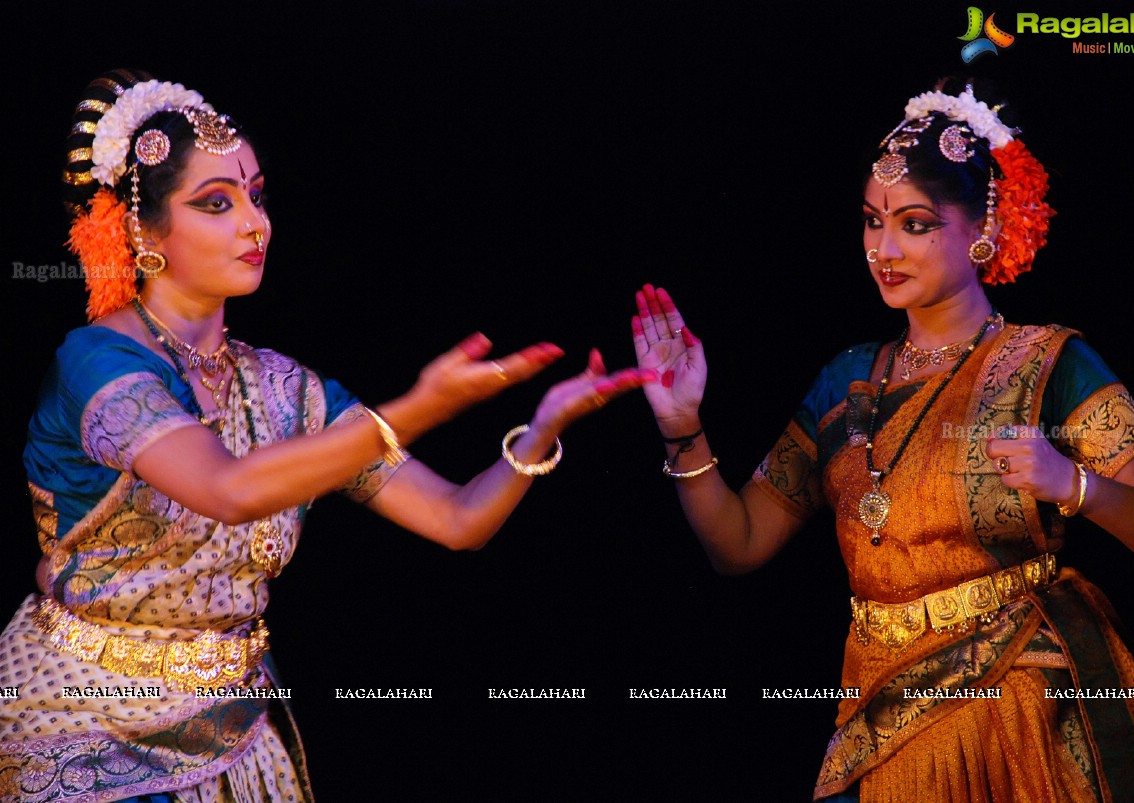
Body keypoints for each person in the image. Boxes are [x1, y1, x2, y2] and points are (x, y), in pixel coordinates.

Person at [0, 69, 653, 802]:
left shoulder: (287, 390)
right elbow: (229, 489)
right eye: (217, 203)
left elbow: (456, 519)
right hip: (80, 727)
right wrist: (413, 409)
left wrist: (542, 428)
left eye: (256, 194)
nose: (256, 223)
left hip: (233, 728)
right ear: (142, 231)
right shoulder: (96, 363)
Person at [631, 79, 1134, 801]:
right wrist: (682, 425)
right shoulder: (844, 384)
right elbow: (735, 543)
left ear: (982, 228)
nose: (883, 248)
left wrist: (1073, 485)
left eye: (916, 223)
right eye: (872, 221)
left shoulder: (1045, 363)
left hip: (1018, 718)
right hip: (882, 713)